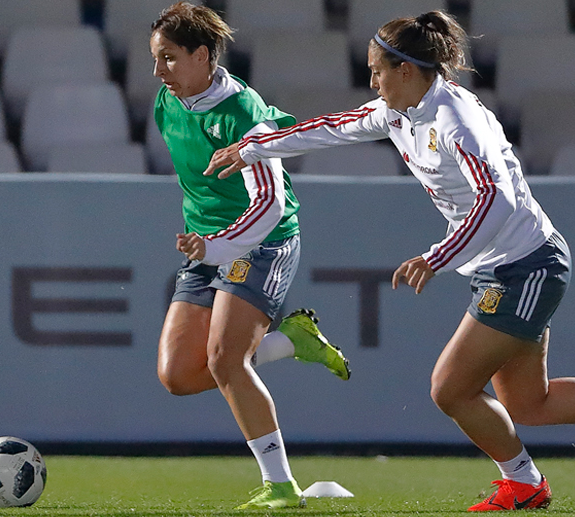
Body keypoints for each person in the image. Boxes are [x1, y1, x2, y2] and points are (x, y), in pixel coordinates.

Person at [205, 10, 575, 512]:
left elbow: (497, 200)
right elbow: (332, 128)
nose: (372, 81)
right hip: (503, 266)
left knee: (450, 389)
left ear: (406, 70)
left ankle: (526, 483)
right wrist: (250, 148)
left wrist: (437, 256)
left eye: (377, 70)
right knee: (529, 404)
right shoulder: (399, 111)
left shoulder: (455, 120)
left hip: (527, 265)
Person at [149, 2, 351, 509]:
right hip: (207, 247)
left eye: (169, 58)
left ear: (202, 56)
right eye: (155, 58)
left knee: (224, 361)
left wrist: (216, 245)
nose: (158, 71)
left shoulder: (244, 113)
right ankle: (292, 342)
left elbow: (269, 205)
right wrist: (206, 245)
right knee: (176, 375)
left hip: (263, 243)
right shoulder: (166, 102)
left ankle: (281, 487)